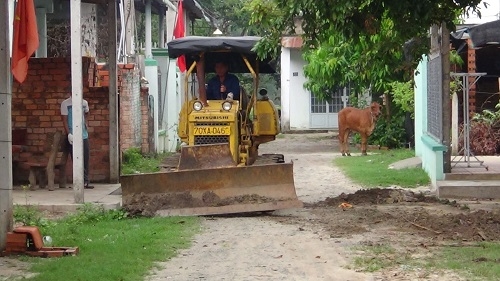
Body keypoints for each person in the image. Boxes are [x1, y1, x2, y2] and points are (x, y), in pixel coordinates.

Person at [60, 94, 94, 189]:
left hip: (83, 135)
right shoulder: (65, 104)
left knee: (85, 158)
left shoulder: (84, 102)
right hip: (72, 135)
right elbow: (64, 120)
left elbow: (87, 113)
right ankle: (78, 181)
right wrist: (69, 134)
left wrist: (85, 122)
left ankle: (86, 181)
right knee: (76, 159)